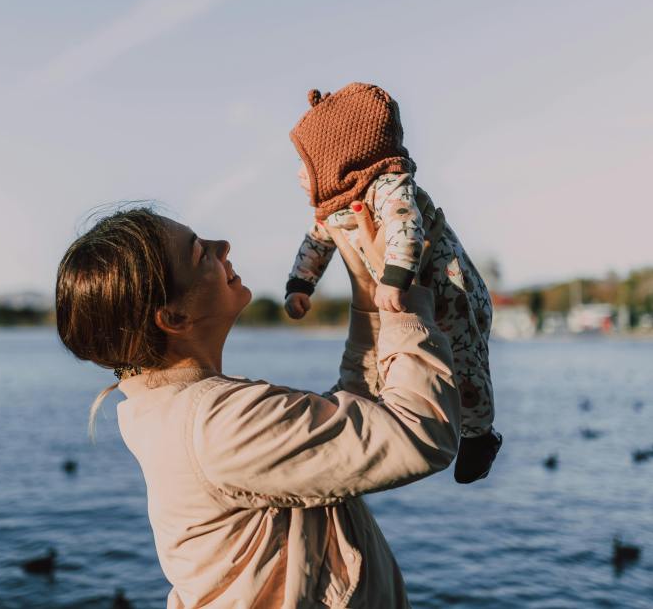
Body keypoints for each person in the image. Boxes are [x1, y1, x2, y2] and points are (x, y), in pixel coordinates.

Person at [55, 201, 461, 608]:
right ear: (174, 318)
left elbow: (357, 412)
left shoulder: (180, 412)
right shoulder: (216, 422)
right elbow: (421, 431)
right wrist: (400, 299)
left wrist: (370, 286)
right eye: (200, 252)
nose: (223, 245)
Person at [283, 82, 501, 483]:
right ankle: (393, 417)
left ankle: (478, 435)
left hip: (451, 294)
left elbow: (408, 225)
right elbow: (317, 241)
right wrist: (300, 284)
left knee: (466, 366)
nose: (299, 174)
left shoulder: (386, 185)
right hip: (402, 300)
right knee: (395, 364)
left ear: (341, 158)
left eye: (307, 163)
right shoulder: (333, 205)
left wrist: (394, 276)